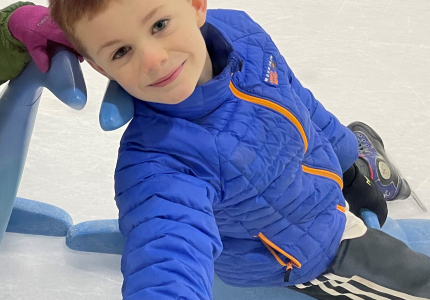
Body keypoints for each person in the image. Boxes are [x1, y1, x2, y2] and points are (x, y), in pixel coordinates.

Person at [3, 0, 428, 299]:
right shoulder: (162, 160)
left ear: (196, 4)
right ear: (100, 67)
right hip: (312, 255)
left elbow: (300, 102)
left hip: (319, 191)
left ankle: (364, 151)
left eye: (159, 25)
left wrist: (347, 162)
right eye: (121, 51)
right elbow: (168, 249)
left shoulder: (243, 33)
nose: (153, 60)